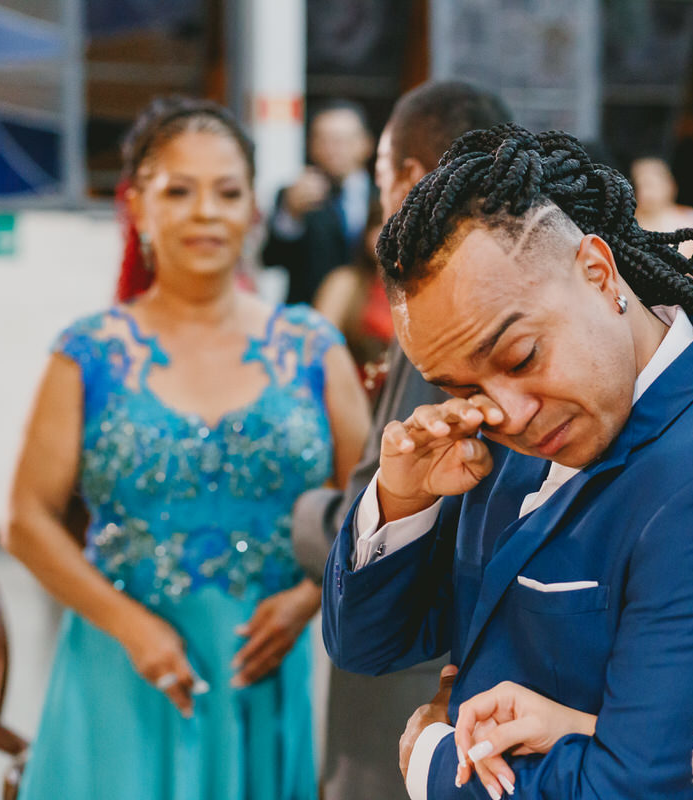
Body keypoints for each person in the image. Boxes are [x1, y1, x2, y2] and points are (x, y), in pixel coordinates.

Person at [320, 124, 693, 800]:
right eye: (461, 388)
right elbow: (367, 646)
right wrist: (401, 501)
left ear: (598, 272)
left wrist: (431, 761)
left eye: (521, 356)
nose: (508, 413)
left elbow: (647, 786)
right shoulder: (501, 435)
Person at [3, 96, 370, 799]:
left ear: (253, 210)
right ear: (137, 207)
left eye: (227, 192)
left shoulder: (311, 348)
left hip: (261, 675)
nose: (206, 212)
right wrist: (130, 627)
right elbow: (26, 521)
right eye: (179, 191)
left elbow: (372, 504)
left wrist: (307, 598)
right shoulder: (88, 353)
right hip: (121, 673)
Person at [290, 79, 512, 800]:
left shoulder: (446, 314)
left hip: (410, 680)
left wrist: (302, 517)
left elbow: (394, 507)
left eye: (382, 175)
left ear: (410, 176)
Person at [263, 99, 375, 305]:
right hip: (307, 311)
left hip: (369, 315)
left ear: (366, 144)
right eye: (324, 140)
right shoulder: (292, 196)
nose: (333, 149)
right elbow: (270, 259)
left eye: (342, 140)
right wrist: (290, 215)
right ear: (310, 145)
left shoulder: (384, 196)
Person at [313, 193, 398, 376]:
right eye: (380, 224)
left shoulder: (421, 291)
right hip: (349, 381)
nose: (390, 235)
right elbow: (320, 344)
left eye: (399, 226)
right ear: (367, 234)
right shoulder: (346, 282)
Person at [631, 155, 693, 279]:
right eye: (640, 185)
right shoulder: (629, 224)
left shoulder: (692, 219)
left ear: (669, 185)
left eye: (651, 185)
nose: (646, 193)